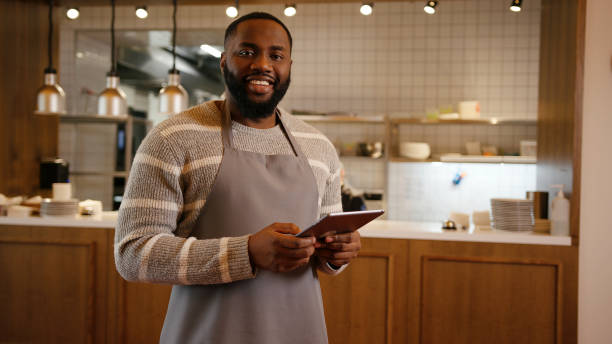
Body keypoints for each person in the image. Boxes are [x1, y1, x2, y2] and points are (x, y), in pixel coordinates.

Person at [114, 12, 361, 344]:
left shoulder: (319, 147)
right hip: (208, 334)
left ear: (289, 66)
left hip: (299, 332)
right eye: (247, 52)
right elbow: (133, 254)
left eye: (276, 55)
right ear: (222, 62)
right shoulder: (174, 138)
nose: (262, 64)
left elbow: (325, 247)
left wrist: (337, 255)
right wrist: (245, 252)